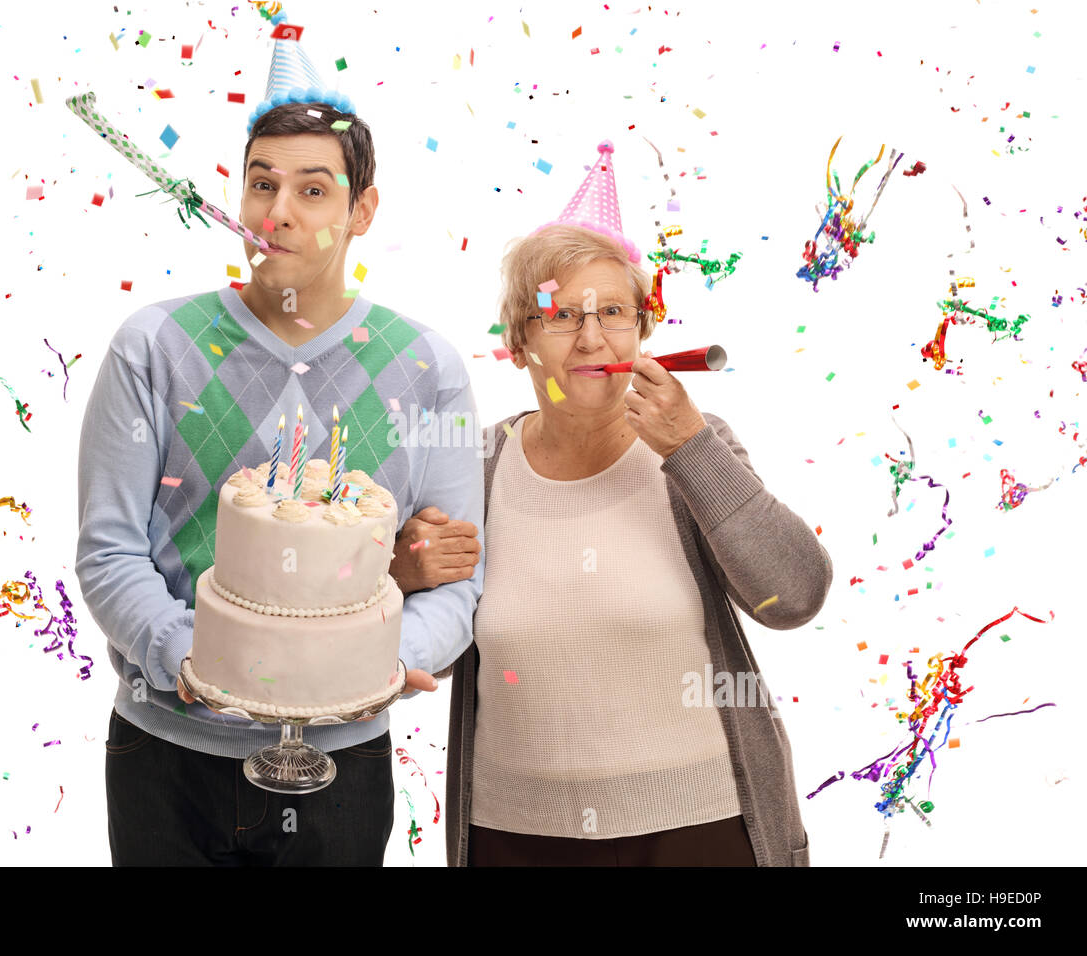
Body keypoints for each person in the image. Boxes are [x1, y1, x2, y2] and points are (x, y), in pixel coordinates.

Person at [76, 15, 482, 866]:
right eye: (261, 185)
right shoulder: (154, 345)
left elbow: (457, 573)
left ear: (362, 209)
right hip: (163, 749)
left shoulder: (426, 369)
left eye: (312, 189)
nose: (278, 213)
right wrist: (194, 657)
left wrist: (375, 666)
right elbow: (111, 550)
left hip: (343, 761)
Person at [434, 141, 833, 866]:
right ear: (520, 339)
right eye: (561, 317)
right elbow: (416, 632)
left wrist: (691, 452)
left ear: (642, 331)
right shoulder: (475, 468)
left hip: (702, 832)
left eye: (613, 312)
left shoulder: (697, 446)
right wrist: (404, 571)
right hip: (515, 838)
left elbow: (796, 596)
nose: (592, 338)